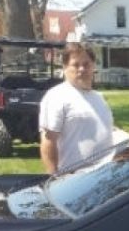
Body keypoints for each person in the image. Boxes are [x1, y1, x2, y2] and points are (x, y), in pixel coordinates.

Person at [39, 42, 116, 174]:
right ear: (65, 68)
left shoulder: (99, 97)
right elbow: (48, 141)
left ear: (93, 66)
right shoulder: (57, 96)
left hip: (105, 177)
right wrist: (53, 176)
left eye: (86, 64)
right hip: (74, 180)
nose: (82, 69)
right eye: (75, 65)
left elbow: (107, 131)